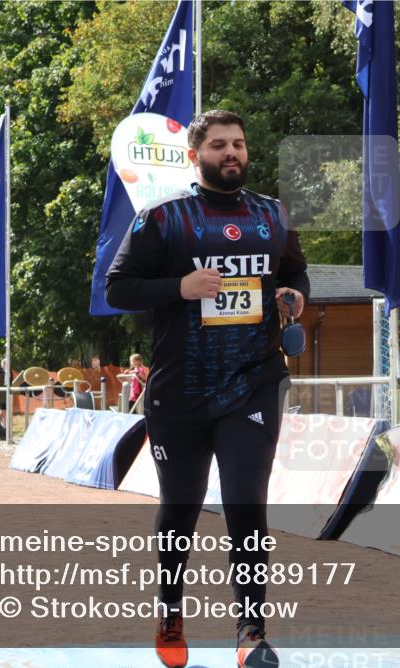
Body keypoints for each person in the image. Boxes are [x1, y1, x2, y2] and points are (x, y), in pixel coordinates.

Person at [105, 109, 309, 668]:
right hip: (181, 389)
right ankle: (170, 611)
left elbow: (296, 272)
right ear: (196, 155)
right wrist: (181, 285)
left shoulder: (272, 216)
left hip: (253, 382)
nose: (231, 153)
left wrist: (294, 297)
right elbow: (117, 288)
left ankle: (251, 634)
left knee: (247, 501)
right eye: (219, 145)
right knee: (181, 507)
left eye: (239, 144)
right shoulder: (162, 220)